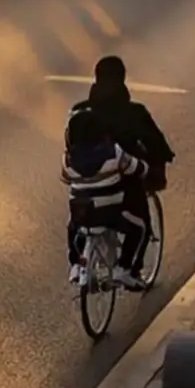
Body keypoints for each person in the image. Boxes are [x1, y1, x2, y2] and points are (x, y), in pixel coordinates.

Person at [68, 56, 175, 280]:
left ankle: (77, 263)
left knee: (80, 223)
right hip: (124, 190)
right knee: (142, 226)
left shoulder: (79, 114)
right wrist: (157, 167)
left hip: (84, 193)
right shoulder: (135, 113)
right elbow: (155, 144)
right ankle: (129, 269)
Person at [61, 108, 151, 290]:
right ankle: (123, 268)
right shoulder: (114, 153)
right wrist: (144, 167)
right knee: (139, 228)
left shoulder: (68, 160)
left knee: (74, 226)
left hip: (83, 214)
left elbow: (65, 178)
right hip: (111, 216)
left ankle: (76, 264)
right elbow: (137, 168)